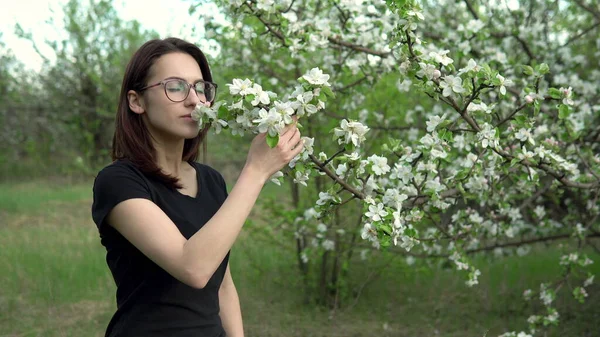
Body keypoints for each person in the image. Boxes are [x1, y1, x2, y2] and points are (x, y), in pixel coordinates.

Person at [91, 37, 304, 337]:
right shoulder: (118, 182)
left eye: (200, 87)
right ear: (136, 101)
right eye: (175, 86)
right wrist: (256, 171)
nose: (195, 100)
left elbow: (223, 285)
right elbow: (193, 267)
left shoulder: (211, 181)